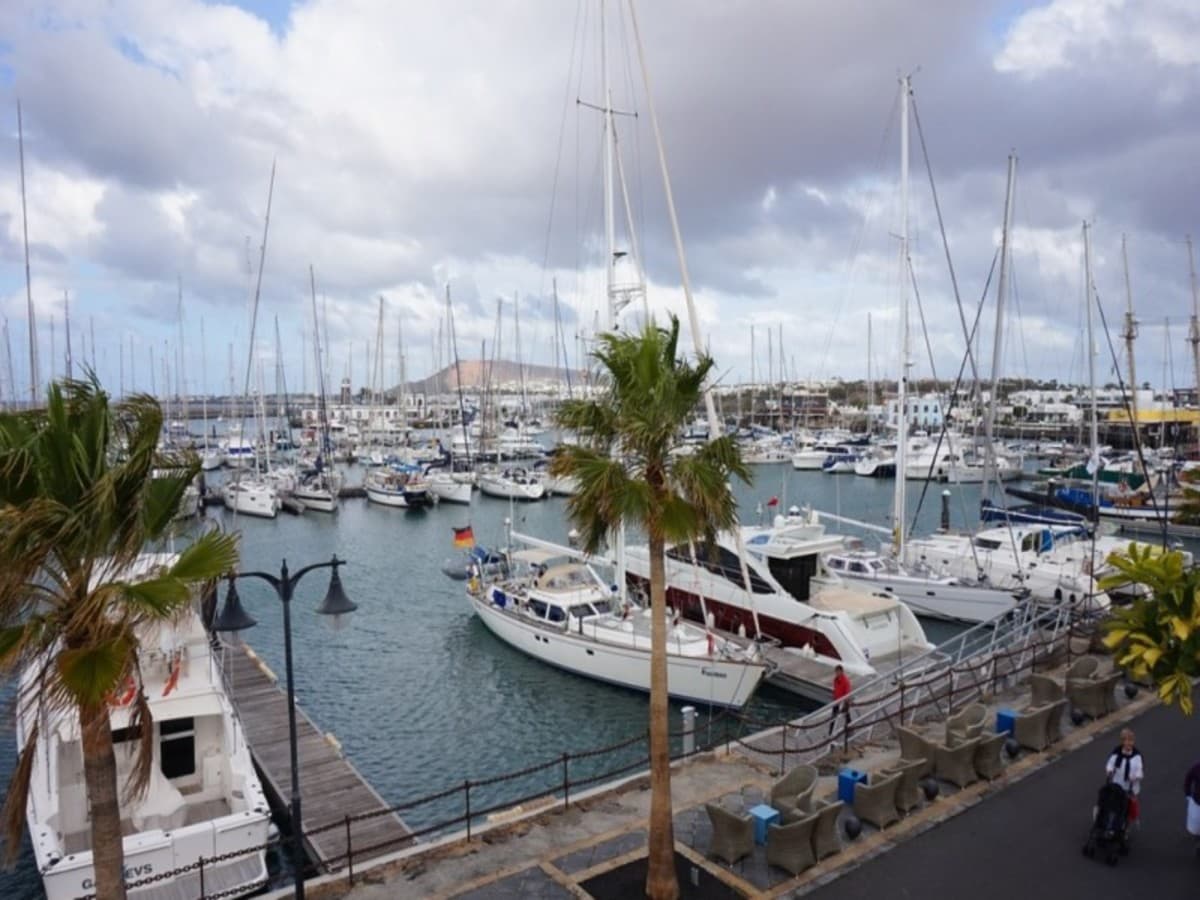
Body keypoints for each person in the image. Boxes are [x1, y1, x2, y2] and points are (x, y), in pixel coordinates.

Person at [1105, 728, 1144, 825]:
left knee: (1128, 806)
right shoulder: (1117, 753)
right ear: (1122, 742)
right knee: (1115, 804)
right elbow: (1110, 763)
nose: (1129, 743)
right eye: (1126, 741)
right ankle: (1113, 822)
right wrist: (1109, 770)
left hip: (1130, 786)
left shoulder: (1137, 756)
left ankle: (1126, 824)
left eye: (1131, 741)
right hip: (1117, 784)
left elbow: (1140, 770)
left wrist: (1135, 777)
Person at [829, 665, 851, 737]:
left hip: (843, 701)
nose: (837, 673)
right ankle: (831, 732)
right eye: (836, 672)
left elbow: (847, 692)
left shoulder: (846, 681)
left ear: (841, 672)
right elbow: (835, 690)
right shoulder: (835, 680)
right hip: (837, 700)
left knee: (846, 716)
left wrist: (845, 702)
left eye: (838, 671)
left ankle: (849, 729)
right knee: (833, 716)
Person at [1185, 756, 1200, 854]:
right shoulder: (1197, 767)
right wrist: (1188, 793)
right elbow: (1188, 779)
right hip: (1198, 801)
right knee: (1197, 826)